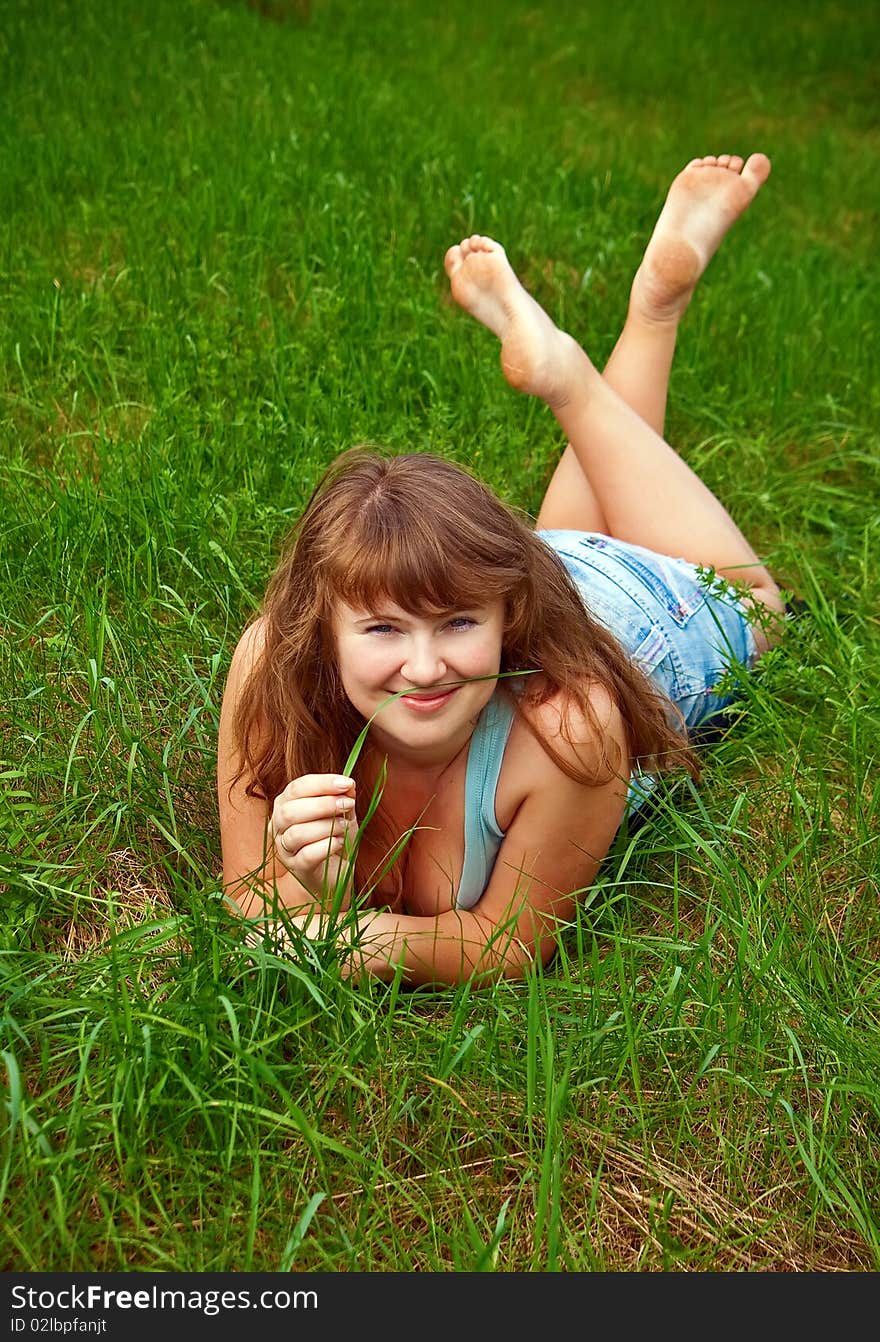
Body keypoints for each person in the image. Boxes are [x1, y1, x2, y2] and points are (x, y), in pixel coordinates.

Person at [217, 152, 784, 987]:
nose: (423, 667)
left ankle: (578, 372)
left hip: (649, 618)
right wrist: (313, 893)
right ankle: (649, 312)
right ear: (320, 626)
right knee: (562, 535)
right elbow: (247, 897)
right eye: (380, 628)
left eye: (454, 627)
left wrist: (332, 931)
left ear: (504, 616)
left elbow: (506, 945)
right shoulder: (272, 666)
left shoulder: (571, 733)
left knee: (761, 607)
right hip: (531, 568)